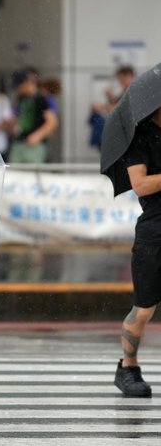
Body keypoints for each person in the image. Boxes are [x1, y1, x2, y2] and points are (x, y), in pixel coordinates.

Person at [114, 105, 161, 398]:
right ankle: (128, 368)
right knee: (144, 308)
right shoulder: (139, 137)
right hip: (154, 232)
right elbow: (140, 185)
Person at [8, 69, 58, 164]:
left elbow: (52, 122)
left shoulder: (41, 98)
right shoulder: (21, 99)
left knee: (31, 175)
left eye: (20, 86)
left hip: (34, 145)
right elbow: (17, 118)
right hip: (19, 142)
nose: (18, 89)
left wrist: (38, 135)